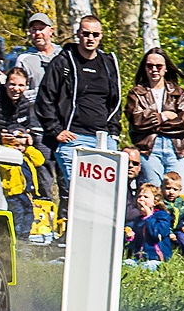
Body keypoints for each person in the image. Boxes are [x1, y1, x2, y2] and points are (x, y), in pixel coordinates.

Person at [34, 14, 122, 220]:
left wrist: (113, 131)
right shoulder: (63, 62)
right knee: (80, 193)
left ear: (101, 36)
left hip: (104, 138)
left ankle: (100, 237)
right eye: (86, 34)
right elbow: (45, 98)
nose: (90, 38)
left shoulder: (108, 63)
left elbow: (116, 100)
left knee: (104, 195)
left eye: (95, 35)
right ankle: (72, 236)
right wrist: (55, 130)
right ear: (78, 34)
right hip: (73, 138)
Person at [0, 67, 42, 240]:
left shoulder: (23, 103)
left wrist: (27, 139)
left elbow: (24, 129)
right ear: (5, 83)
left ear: (26, 86)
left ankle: (22, 239)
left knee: (24, 207)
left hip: (11, 155)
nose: (16, 89)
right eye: (12, 84)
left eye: (21, 85)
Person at [126, 47, 184, 198]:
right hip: (148, 150)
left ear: (166, 68)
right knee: (153, 194)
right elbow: (137, 121)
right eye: (150, 66)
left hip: (175, 149)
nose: (154, 70)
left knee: (182, 196)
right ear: (145, 68)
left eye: (159, 66)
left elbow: (183, 122)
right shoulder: (136, 93)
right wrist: (163, 116)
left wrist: (151, 124)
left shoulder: (178, 93)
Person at [126, 183, 173, 265]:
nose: (141, 199)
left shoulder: (162, 215)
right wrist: (131, 237)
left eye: (145, 197)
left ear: (155, 201)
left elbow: (158, 234)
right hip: (140, 258)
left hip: (156, 257)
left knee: (149, 265)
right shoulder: (138, 219)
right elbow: (137, 240)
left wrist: (149, 216)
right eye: (139, 196)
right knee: (125, 264)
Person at [14, 12, 57, 98]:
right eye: (34, 29)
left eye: (41, 29)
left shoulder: (63, 55)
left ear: (51, 31)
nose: (37, 33)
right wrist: (42, 93)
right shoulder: (24, 60)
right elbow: (18, 91)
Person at [160, 171, 184, 254]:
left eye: (175, 189)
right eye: (168, 188)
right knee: (163, 242)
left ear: (180, 190)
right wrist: (169, 233)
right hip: (163, 230)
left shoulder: (182, 203)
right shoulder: (160, 203)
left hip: (178, 229)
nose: (171, 192)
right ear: (161, 188)